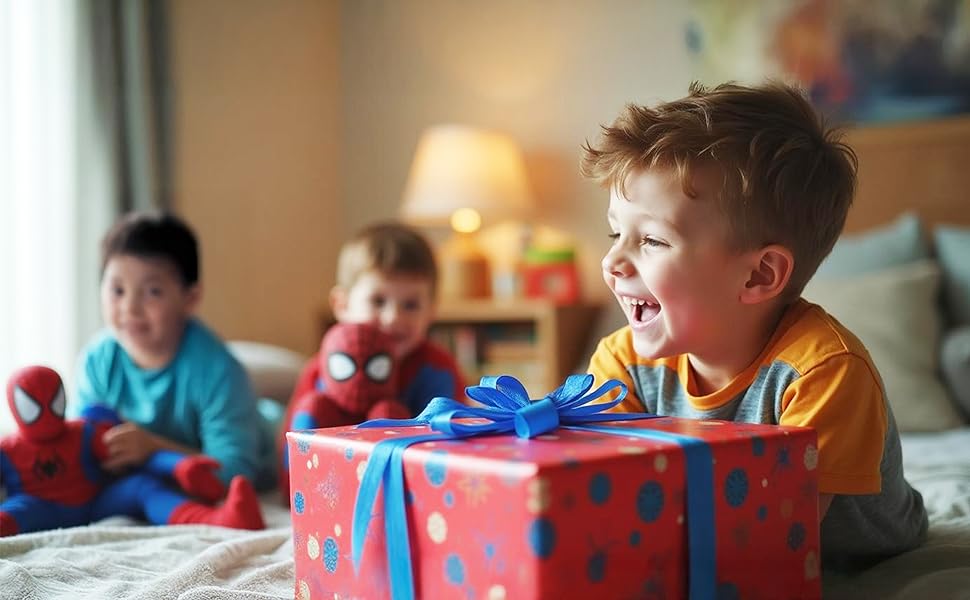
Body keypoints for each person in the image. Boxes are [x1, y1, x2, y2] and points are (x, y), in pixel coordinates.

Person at [580, 81, 927, 570]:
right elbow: (611, 493)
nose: (613, 260)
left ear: (759, 274)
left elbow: (776, 541)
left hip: (855, 547)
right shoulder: (622, 361)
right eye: (616, 232)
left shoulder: (825, 372)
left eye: (653, 241)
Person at [72, 211, 277, 505]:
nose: (130, 307)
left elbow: (235, 473)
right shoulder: (97, 361)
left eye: (152, 292)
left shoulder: (218, 371)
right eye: (117, 290)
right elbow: (78, 452)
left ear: (190, 299)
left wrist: (153, 448)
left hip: (260, 449)